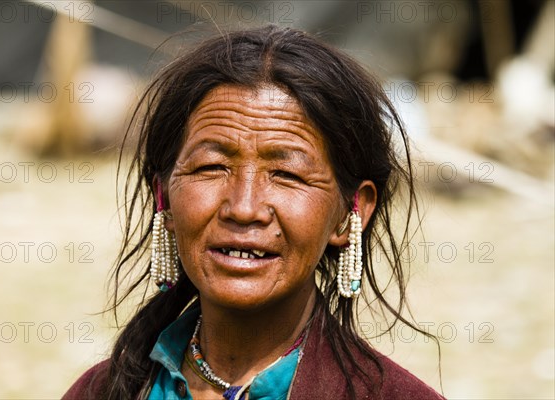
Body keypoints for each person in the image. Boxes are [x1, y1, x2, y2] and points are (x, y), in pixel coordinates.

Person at [63, 25, 445, 400]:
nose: (244, 208)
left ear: (351, 210)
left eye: (287, 174)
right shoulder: (101, 392)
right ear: (163, 195)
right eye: (211, 167)